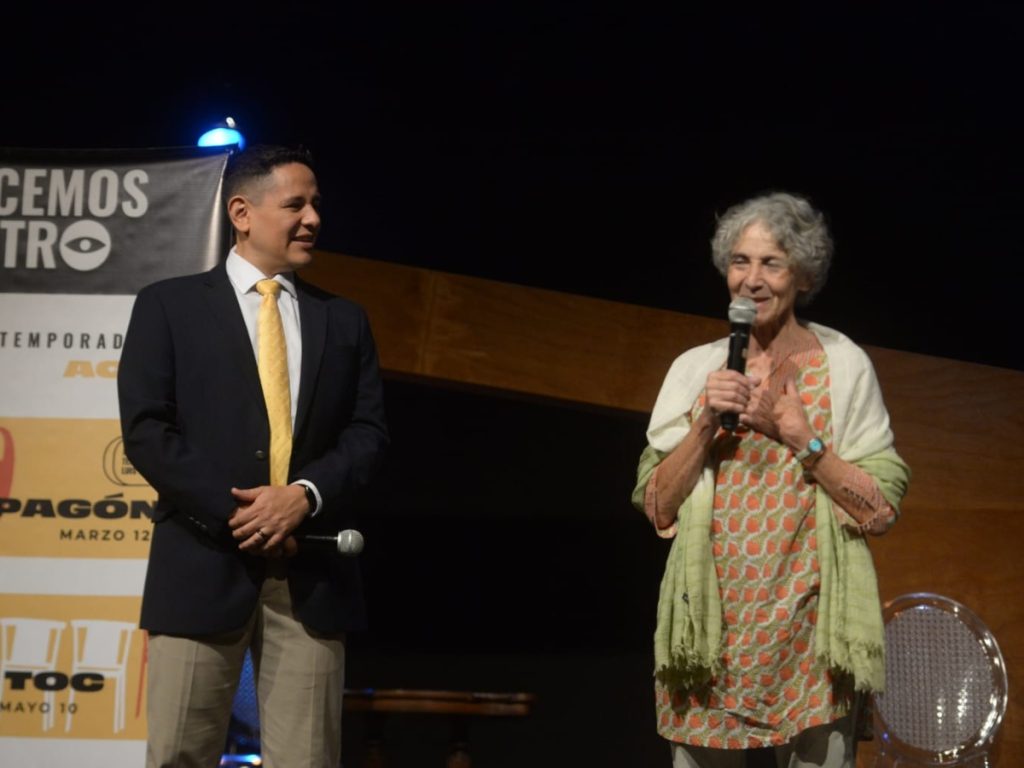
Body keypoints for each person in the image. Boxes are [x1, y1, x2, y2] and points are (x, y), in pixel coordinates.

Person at [118, 144, 389, 768]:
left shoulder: (344, 319)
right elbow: (147, 430)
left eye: (316, 204)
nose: (313, 218)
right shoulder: (169, 305)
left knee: (309, 759)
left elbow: (368, 433)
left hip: (311, 574)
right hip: (201, 562)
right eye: (295, 204)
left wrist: (303, 497)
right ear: (241, 212)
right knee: (180, 754)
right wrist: (241, 512)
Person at [632, 192, 910, 768]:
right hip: (709, 635)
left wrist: (802, 439)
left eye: (771, 263)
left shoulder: (843, 363)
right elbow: (656, 505)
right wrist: (705, 424)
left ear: (803, 276)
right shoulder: (695, 369)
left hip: (813, 633)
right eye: (740, 261)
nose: (752, 279)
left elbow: (880, 511)